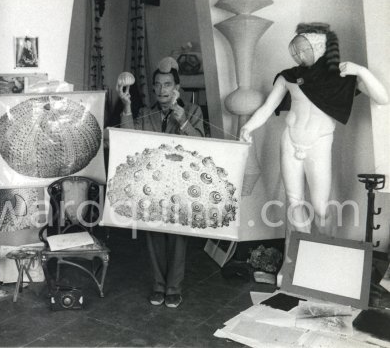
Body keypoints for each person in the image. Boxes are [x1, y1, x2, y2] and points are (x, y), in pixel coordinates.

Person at [240, 23, 388, 246]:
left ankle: (321, 254)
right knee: (294, 201)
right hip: (290, 139)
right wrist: (247, 127)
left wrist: (361, 71)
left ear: (319, 48)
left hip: (318, 143)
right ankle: (295, 257)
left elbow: (383, 98)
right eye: (295, 50)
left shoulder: (340, 75)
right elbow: (267, 108)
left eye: (304, 49)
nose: (299, 54)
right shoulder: (288, 77)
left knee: (320, 206)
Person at [118, 57, 204, 308]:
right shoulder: (146, 112)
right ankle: (158, 285)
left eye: (167, 84)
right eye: (158, 84)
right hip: (153, 184)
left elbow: (201, 143)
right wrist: (126, 107)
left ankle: (173, 288)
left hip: (181, 183)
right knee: (153, 234)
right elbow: (129, 139)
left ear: (177, 88)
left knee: (177, 236)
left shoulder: (194, 111)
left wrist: (183, 120)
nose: (162, 90)